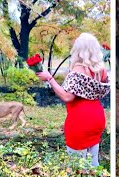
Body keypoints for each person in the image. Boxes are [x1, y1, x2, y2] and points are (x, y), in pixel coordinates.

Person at [36, 32, 110, 166]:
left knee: (77, 166)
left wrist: (49, 79)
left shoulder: (78, 70)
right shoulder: (101, 70)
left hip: (80, 121)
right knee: (93, 164)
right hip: (97, 118)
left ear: (78, 50)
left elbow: (67, 96)